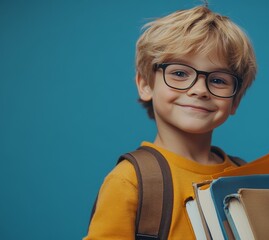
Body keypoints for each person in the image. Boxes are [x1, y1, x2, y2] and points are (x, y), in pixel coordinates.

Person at [85, 4, 257, 239]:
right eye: (179, 73)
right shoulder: (130, 181)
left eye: (218, 80)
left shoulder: (249, 178)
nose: (199, 90)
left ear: (235, 100)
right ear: (146, 84)